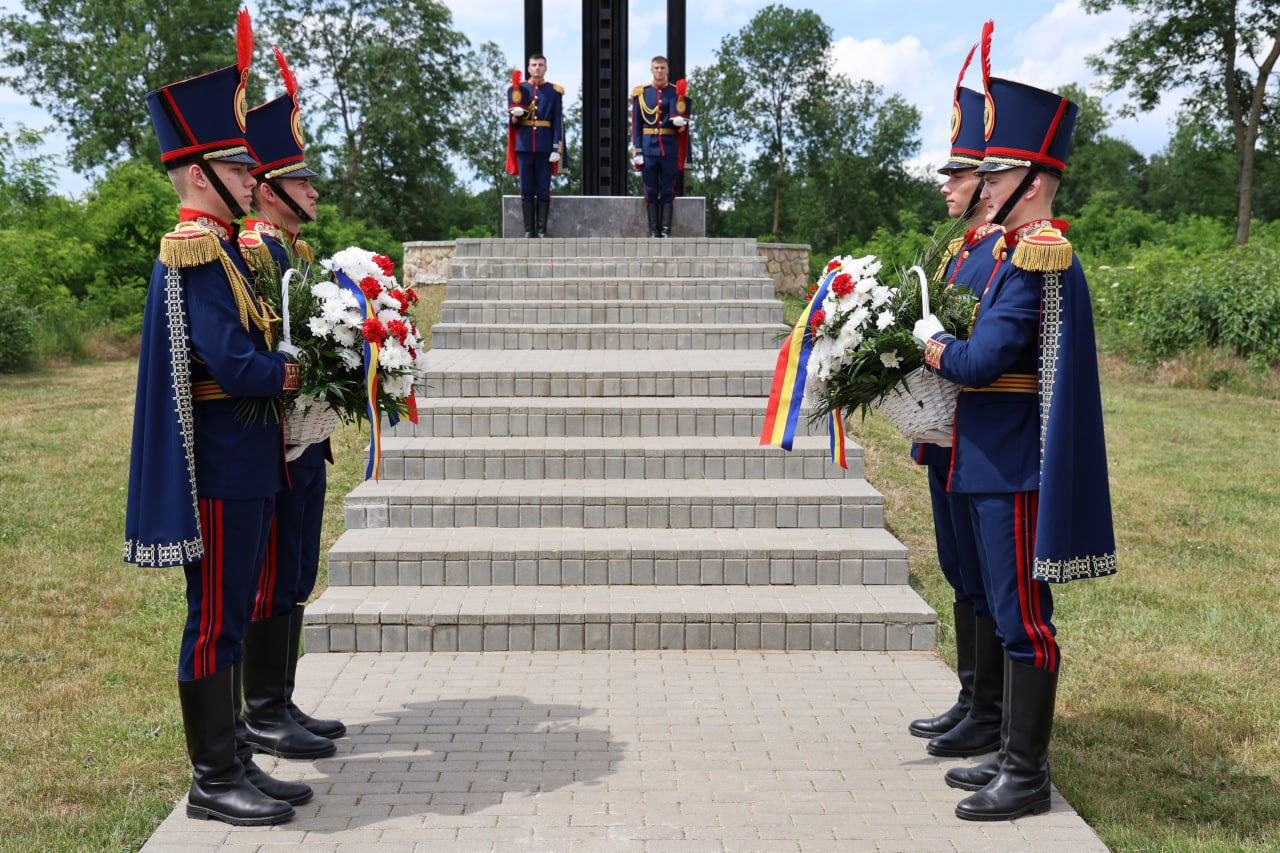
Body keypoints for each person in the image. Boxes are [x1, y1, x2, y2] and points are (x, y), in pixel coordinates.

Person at [913, 23, 1117, 821]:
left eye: (998, 171)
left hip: (1011, 465)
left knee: (1025, 620)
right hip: (983, 459)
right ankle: (1003, 744)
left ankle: (1026, 771)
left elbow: (981, 359)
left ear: (1035, 177)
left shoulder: (1041, 253)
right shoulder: (1006, 250)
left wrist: (934, 345)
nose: (985, 184)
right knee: (1000, 608)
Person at [124, 10, 309, 826]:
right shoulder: (193, 249)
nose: (251, 179)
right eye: (235, 167)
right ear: (200, 173)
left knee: (232, 617)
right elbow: (232, 362)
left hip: (250, 459)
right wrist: (291, 370)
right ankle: (211, 777)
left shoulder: (229, 247)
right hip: (225, 466)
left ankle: (233, 752)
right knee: (216, 620)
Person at [237, 47, 344, 763]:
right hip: (273, 440)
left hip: (307, 438)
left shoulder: (293, 253)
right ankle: (262, 711)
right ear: (269, 187)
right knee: (272, 572)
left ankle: (282, 696)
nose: (312, 190)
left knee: (298, 569)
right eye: (300, 180)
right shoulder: (251, 252)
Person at [906, 45, 1006, 762]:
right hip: (946, 436)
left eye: (960, 174)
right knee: (957, 567)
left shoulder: (1002, 251)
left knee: (981, 572)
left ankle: (990, 711)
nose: (947, 186)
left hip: (980, 434)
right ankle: (972, 697)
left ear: (988, 184)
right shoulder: (957, 251)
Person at [505, 53, 564, 237]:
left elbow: (557, 120)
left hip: (545, 146)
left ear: (546, 68)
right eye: (534, 65)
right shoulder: (519, 89)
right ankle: (529, 230)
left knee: (544, 189)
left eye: (540, 65)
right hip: (524, 145)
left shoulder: (554, 92)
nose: (537, 68)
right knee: (526, 189)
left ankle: (541, 230)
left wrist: (556, 147)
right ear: (529, 68)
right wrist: (515, 116)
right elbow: (514, 124)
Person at [631, 56, 691, 237]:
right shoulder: (641, 93)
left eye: (662, 68)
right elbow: (637, 124)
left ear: (667, 70)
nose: (659, 71)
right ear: (651, 70)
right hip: (649, 149)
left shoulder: (676, 93)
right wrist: (638, 149)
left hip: (669, 147)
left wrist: (681, 123)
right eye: (656, 68)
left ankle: (665, 230)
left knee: (667, 189)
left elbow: (681, 124)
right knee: (650, 189)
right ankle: (652, 230)